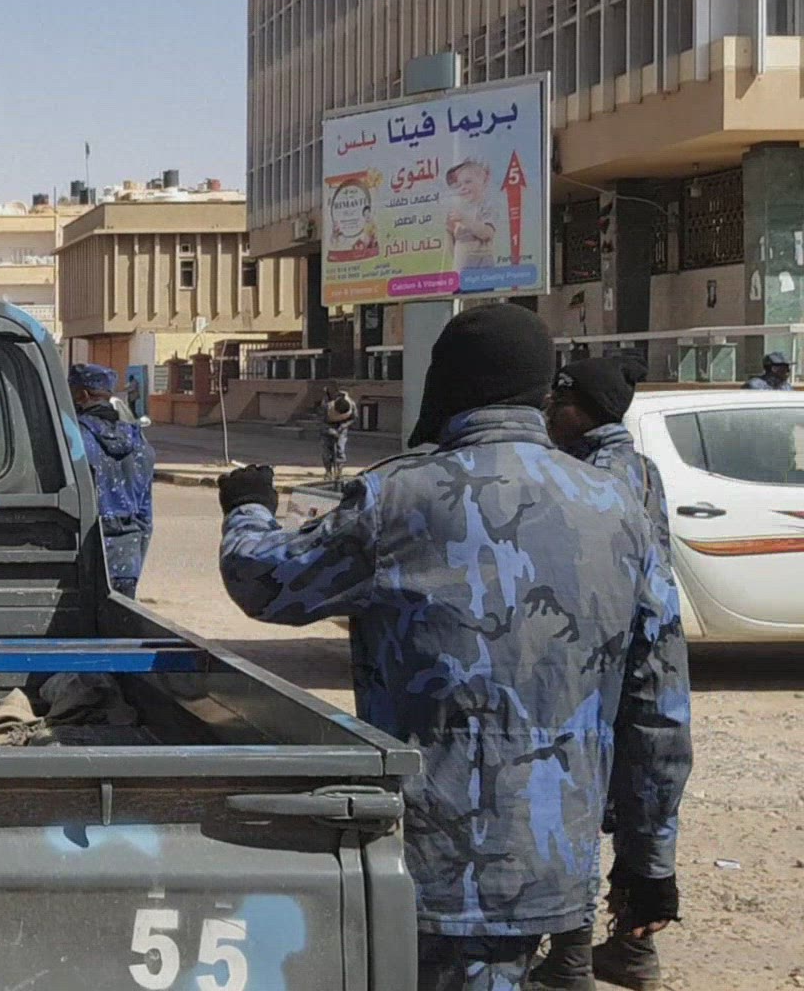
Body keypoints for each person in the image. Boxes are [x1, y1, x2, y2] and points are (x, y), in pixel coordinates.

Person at [215, 304, 690, 990]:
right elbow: (660, 705)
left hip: (434, 862)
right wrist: (649, 864)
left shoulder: (398, 495)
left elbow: (263, 582)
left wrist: (248, 505)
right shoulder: (619, 507)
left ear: (448, 382)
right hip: (555, 860)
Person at [529, 356, 673, 991]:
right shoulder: (641, 469)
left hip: (588, 660)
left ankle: (570, 961)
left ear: (576, 409)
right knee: (642, 796)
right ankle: (632, 951)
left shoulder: (582, 474)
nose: (547, 415)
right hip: (643, 650)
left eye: (555, 404)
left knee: (577, 807)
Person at [68, 364, 154, 598]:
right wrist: (134, 561)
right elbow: (145, 516)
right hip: (126, 559)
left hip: (83, 557)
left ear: (82, 395)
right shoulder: (139, 442)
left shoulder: (73, 439)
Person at [444, 160, 502, 268]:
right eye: (459, 185)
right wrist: (456, 260)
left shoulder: (487, 207)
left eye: (468, 182)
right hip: (461, 268)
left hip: (483, 268)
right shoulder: (457, 209)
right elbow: (450, 239)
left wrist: (464, 219)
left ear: (484, 183)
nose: (463, 187)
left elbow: (487, 233)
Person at [321, 387, 355, 485]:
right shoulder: (327, 407)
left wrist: (343, 426)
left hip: (341, 428)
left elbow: (353, 418)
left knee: (340, 449)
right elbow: (320, 422)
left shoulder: (351, 405)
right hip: (327, 428)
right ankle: (328, 471)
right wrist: (329, 430)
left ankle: (339, 472)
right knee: (326, 451)